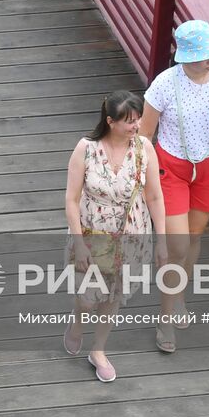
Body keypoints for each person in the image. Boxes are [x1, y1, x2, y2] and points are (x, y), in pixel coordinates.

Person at [139, 19, 209, 354]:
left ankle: (178, 297)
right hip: (171, 169)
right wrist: (140, 175)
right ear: (186, 58)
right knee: (175, 247)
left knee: (191, 240)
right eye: (204, 56)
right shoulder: (164, 84)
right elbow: (145, 134)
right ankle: (165, 318)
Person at [64, 91, 165, 383]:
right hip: (93, 231)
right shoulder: (86, 148)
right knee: (87, 297)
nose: (136, 126)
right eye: (129, 121)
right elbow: (71, 199)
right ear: (110, 121)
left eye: (138, 120)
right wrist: (79, 242)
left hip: (132, 232)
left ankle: (98, 350)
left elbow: (155, 196)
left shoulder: (144, 147)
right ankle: (78, 321)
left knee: (114, 295)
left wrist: (163, 240)